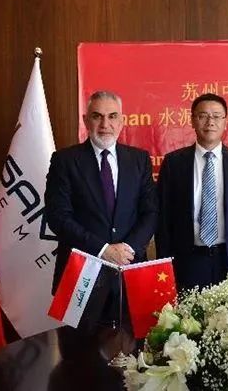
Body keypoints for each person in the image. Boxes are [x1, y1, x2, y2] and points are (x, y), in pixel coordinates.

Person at [45, 90, 157, 326]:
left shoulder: (139, 159)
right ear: (86, 120)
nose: (105, 124)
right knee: (77, 346)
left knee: (133, 345)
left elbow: (150, 211)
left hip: (131, 269)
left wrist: (127, 249)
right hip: (81, 276)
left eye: (112, 116)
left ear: (122, 121)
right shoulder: (64, 161)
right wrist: (103, 249)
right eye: (97, 116)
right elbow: (57, 217)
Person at [156, 93, 228, 291]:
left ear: (225, 122)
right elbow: (164, 217)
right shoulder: (174, 163)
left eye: (217, 116)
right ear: (192, 121)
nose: (210, 122)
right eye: (203, 115)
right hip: (188, 259)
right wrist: (165, 262)